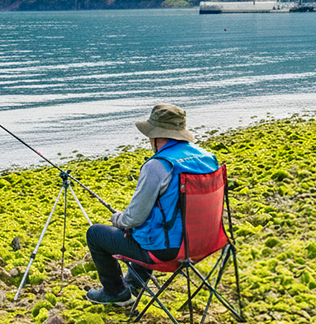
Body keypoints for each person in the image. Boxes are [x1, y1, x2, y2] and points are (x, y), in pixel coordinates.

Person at [85, 103, 220, 306]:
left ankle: (116, 292)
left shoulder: (157, 166)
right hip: (205, 244)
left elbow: (133, 218)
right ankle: (133, 284)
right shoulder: (208, 158)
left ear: (156, 136)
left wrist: (117, 219)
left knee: (96, 234)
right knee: (146, 229)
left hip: (169, 252)